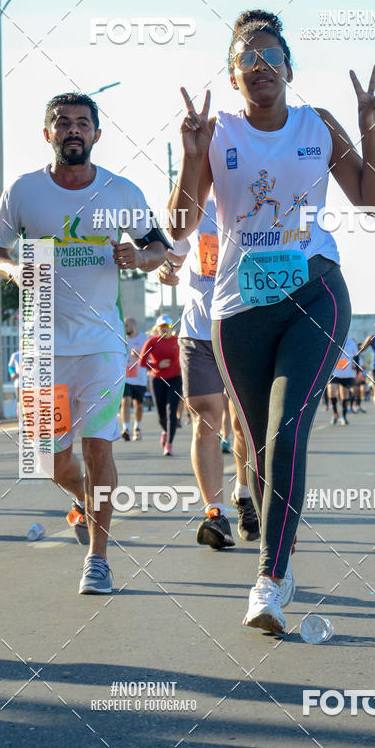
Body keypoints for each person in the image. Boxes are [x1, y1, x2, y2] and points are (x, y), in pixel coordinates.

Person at [168, 7, 375, 633]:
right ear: (233, 75)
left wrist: (371, 132)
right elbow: (181, 226)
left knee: (287, 430)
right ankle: (278, 558)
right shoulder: (217, 132)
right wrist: (190, 155)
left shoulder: (319, 124)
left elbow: (372, 200)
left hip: (315, 293)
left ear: (289, 68)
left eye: (271, 56)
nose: (260, 66)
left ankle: (269, 577)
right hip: (240, 309)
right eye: (248, 58)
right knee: (259, 442)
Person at [0, 92, 167, 594]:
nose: (72, 130)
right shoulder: (24, 191)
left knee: (98, 446)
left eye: (82, 123)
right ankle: (86, 503)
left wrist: (140, 258)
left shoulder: (120, 191)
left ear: (96, 135)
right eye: (62, 122)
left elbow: (159, 247)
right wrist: (12, 268)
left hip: (101, 343)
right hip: (42, 344)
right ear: (48, 134)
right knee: (51, 460)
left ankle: (98, 559)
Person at [158, 198, 259, 546]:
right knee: (206, 420)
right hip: (197, 333)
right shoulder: (194, 209)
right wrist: (166, 269)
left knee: (243, 424)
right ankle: (215, 514)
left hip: (243, 331)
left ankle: (244, 494)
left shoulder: (255, 205)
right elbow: (174, 255)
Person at [139, 315, 182, 456]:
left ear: (170, 327)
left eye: (166, 326)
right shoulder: (152, 341)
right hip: (157, 380)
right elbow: (141, 362)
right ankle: (165, 431)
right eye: (161, 326)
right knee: (161, 414)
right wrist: (157, 364)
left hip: (175, 379)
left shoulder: (177, 341)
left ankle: (169, 444)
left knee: (171, 410)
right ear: (157, 328)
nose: (164, 329)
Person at [120, 317, 148, 441]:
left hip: (140, 377)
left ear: (133, 325)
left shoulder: (144, 338)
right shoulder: (121, 338)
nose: (125, 328)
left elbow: (150, 356)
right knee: (125, 401)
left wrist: (140, 356)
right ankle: (125, 429)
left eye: (126, 325)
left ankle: (137, 427)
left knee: (139, 405)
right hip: (125, 377)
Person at [327, 334, 359, 424]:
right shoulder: (333, 339)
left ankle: (344, 417)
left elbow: (356, 356)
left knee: (345, 395)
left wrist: (356, 368)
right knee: (331, 391)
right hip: (334, 372)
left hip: (346, 373)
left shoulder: (351, 342)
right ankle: (335, 413)